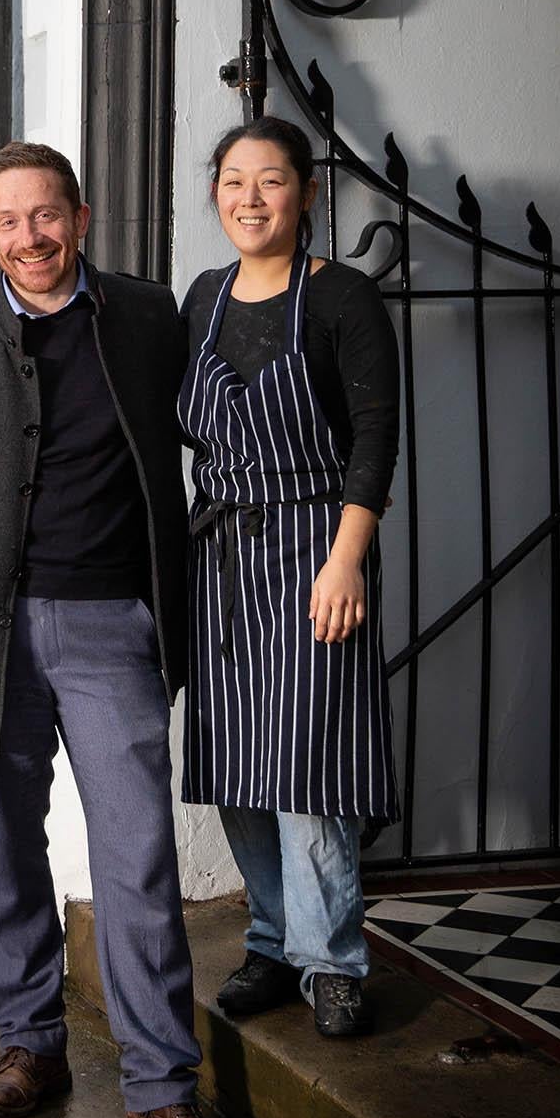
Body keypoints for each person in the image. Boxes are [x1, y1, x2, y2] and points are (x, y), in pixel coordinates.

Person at [0, 141, 243, 1118]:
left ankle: (161, 1094)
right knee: (5, 846)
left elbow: (228, 407)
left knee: (137, 857)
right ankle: (31, 1043)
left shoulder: (145, 318)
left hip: (112, 630)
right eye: (9, 220)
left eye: (47, 215)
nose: (30, 236)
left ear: (80, 218)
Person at [180, 116, 399, 1039]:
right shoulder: (201, 298)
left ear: (305, 194)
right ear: (217, 195)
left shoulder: (345, 297)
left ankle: (333, 963)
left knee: (311, 765)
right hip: (223, 556)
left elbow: (376, 439)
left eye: (272, 181)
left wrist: (344, 559)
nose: (251, 199)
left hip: (317, 546)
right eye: (234, 181)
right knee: (237, 764)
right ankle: (271, 940)